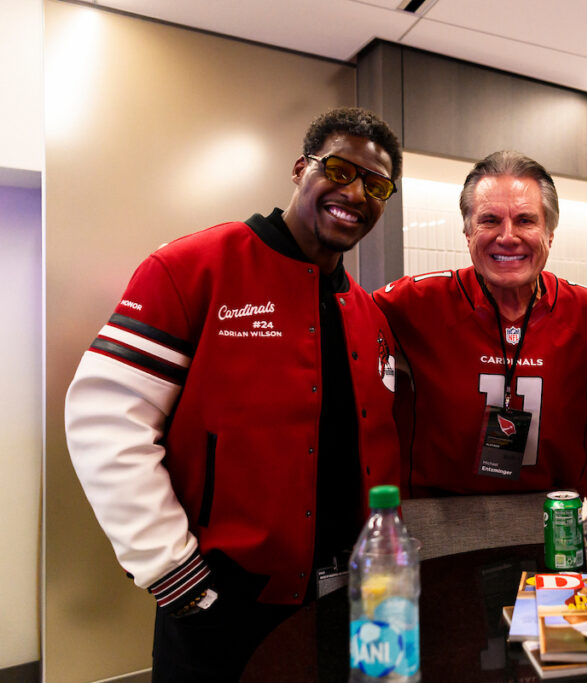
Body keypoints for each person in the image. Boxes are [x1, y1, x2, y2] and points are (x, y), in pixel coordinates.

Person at [65, 107, 404, 681]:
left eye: (376, 185)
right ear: (301, 169)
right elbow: (106, 422)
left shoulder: (366, 311)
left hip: (346, 601)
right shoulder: (193, 268)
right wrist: (177, 576)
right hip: (221, 605)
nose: (356, 193)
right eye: (341, 170)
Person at [374, 151, 587, 496]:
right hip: (437, 530)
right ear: (468, 232)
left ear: (550, 234)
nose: (508, 236)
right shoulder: (411, 303)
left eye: (526, 220)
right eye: (490, 220)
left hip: (555, 526)